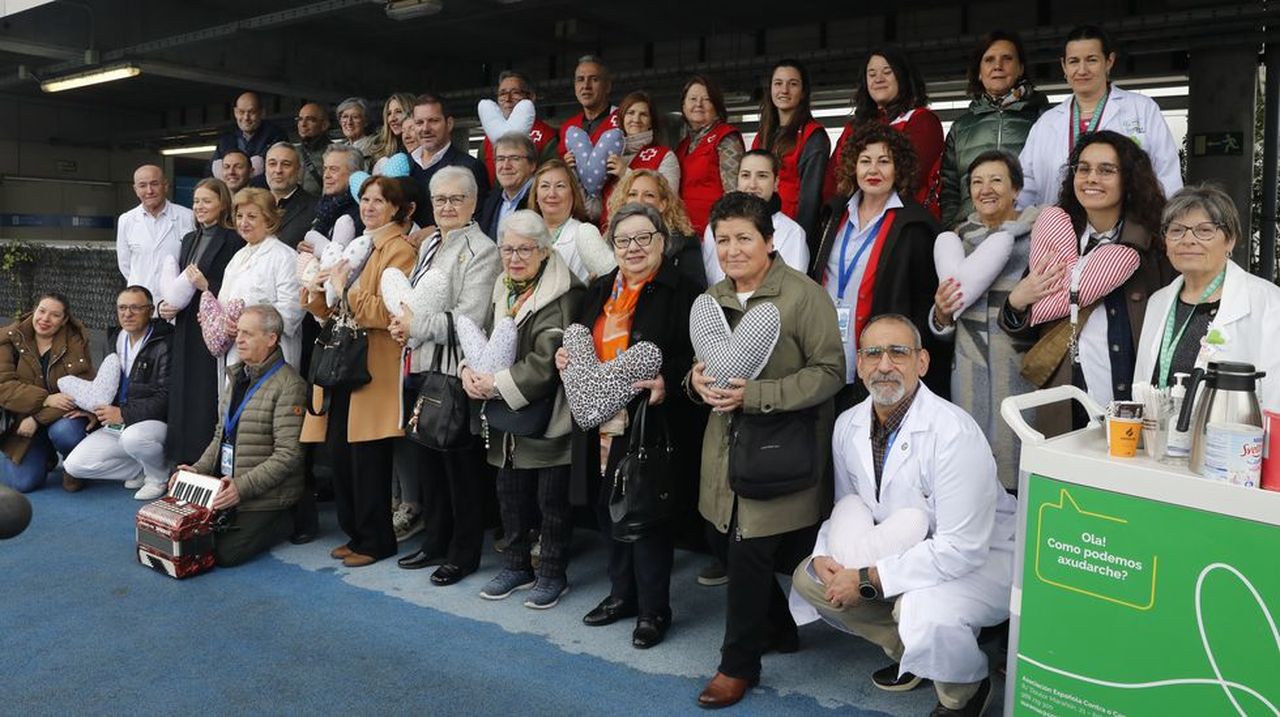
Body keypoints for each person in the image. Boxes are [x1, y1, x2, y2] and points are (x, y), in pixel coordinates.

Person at [791, 314, 1016, 717]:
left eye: (898, 352)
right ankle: (919, 656)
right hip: (902, 547)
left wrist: (868, 578)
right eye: (873, 353)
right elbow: (851, 507)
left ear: (922, 363)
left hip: (983, 559)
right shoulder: (848, 425)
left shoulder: (952, 433)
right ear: (858, 365)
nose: (884, 365)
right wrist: (830, 556)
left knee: (922, 612)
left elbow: (961, 549)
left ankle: (964, 691)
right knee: (809, 579)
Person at [688, 192, 845, 708]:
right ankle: (779, 628)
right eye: (723, 240)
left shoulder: (803, 297)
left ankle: (737, 666)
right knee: (720, 542)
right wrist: (696, 382)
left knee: (749, 553)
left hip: (779, 448)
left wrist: (756, 395)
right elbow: (704, 367)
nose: (732, 250)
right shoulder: (712, 299)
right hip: (723, 452)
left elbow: (830, 373)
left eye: (743, 239)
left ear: (770, 241)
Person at [562, 202, 702, 649]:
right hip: (598, 419)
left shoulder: (685, 291)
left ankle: (653, 610)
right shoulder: (600, 287)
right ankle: (621, 595)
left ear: (662, 242)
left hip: (649, 420)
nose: (633, 248)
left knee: (645, 517)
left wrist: (669, 381)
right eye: (623, 240)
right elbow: (581, 338)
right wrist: (565, 360)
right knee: (607, 511)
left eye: (644, 238)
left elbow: (698, 358)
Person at [1000, 130, 1174, 433]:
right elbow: (1028, 328)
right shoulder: (1056, 240)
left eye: (1106, 170)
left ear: (1129, 179)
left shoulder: (1153, 247)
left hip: (1130, 403)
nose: (1091, 178)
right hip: (1064, 399)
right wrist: (1016, 302)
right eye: (1083, 169)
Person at [391, 167, 502, 583]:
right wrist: (406, 322)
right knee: (429, 464)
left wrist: (414, 325)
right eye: (440, 200)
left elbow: (470, 319)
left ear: (474, 202)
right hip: (421, 365)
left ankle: (464, 552)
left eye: (457, 199)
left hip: (457, 372)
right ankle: (435, 540)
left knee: (461, 470)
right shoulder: (431, 243)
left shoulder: (483, 250)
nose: (448, 207)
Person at [470, 210, 584, 608]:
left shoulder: (564, 293)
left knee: (551, 504)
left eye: (524, 249)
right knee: (509, 496)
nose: (515, 258)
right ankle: (517, 564)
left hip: (550, 416)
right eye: (508, 249)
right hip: (507, 417)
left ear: (544, 251)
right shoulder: (504, 287)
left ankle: (553, 573)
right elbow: (484, 338)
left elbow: (546, 363)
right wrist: (471, 371)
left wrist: (494, 384)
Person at [301, 176, 417, 568]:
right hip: (344, 361)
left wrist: (343, 287)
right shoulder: (359, 246)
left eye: (379, 201)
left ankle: (376, 539)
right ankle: (356, 533)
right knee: (340, 452)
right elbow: (334, 310)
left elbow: (390, 313)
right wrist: (317, 291)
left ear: (397, 209)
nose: (368, 207)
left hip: (373, 364)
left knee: (368, 458)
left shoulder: (398, 250)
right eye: (364, 199)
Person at [810, 123, 949, 407]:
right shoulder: (832, 215)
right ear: (853, 167)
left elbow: (923, 303)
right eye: (865, 161)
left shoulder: (915, 225)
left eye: (884, 161)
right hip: (825, 355)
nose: (874, 170)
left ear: (899, 169)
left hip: (882, 361)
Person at [929, 151, 1039, 490]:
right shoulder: (959, 239)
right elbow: (945, 326)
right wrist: (941, 314)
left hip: (1021, 371)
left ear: (1016, 189)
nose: (985, 189)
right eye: (977, 182)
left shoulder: (1038, 235)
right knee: (972, 476)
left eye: (996, 180)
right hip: (969, 372)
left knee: (1021, 474)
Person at [182, 305, 308, 567]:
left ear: (271, 339)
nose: (238, 339)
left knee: (224, 553)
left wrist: (242, 487)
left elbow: (289, 454)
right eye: (238, 331)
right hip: (232, 484)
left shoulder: (290, 385)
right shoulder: (237, 375)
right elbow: (220, 434)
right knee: (187, 536)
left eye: (247, 334)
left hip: (267, 493)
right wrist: (197, 470)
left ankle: (293, 517)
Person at [1135, 184, 1280, 408]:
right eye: (1176, 230)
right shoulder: (1158, 302)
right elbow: (1143, 382)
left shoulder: (1268, 301)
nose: (1188, 240)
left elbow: (1275, 393)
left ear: (1230, 240)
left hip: (1233, 439)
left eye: (1204, 230)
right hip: (1159, 437)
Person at [1018, 25, 1182, 209]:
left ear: (1109, 61)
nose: (1082, 70)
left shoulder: (1142, 109)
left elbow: (1167, 176)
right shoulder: (1046, 123)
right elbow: (1025, 184)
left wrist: (1166, 225)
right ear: (1064, 66)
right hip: (1059, 230)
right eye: (1073, 61)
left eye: (1091, 60)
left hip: (1128, 229)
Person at [160, 178, 245, 467]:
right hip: (185, 324)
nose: (199, 207)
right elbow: (179, 284)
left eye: (206, 201)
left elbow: (235, 287)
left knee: (205, 394)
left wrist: (205, 284)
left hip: (212, 326)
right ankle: (179, 459)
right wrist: (166, 305)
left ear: (223, 204)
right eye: (196, 201)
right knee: (182, 390)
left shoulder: (233, 239)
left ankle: (204, 463)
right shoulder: (189, 239)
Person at [63, 286, 172, 500]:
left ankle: (158, 476)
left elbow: (167, 396)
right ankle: (140, 468)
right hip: (117, 423)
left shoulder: (166, 342)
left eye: (135, 308)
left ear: (150, 310)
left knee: (134, 438)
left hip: (154, 424)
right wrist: (94, 410)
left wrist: (124, 414)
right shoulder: (114, 338)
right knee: (75, 465)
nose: (127, 313)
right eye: (122, 308)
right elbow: (106, 385)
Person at [939, 30, 1048, 229]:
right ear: (979, 72)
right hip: (969, 232)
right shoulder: (960, 127)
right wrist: (951, 227)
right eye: (989, 60)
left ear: (1020, 68)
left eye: (1007, 59)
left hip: (1029, 229)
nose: (998, 66)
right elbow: (949, 189)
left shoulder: (1043, 118)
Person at [823, 46, 944, 220]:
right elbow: (831, 179)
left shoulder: (922, 120)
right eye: (871, 74)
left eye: (887, 72)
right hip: (850, 221)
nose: (878, 79)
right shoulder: (852, 127)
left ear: (902, 77)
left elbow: (911, 176)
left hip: (900, 222)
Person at [0, 293, 91, 493]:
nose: (45, 319)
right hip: (21, 421)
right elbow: (4, 387)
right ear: (34, 310)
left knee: (65, 433)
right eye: (41, 311)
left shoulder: (76, 342)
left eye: (54, 315)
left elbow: (81, 389)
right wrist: (46, 399)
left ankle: (73, 466)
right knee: (21, 484)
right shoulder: (8, 340)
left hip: (61, 417)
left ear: (64, 320)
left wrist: (37, 419)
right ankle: (46, 453)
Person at [208, 188, 304, 368]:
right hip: (236, 352)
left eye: (251, 216)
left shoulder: (285, 256)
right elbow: (224, 303)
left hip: (270, 355)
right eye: (239, 216)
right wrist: (219, 320)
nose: (243, 223)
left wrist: (247, 324)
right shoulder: (238, 257)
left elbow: (291, 312)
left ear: (268, 219)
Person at [701, 150, 809, 284]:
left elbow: (793, 288)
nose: (752, 185)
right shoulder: (714, 227)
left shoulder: (792, 232)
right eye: (745, 175)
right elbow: (710, 280)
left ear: (776, 183)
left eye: (762, 176)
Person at [753, 59, 830, 239]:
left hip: (792, 232)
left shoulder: (813, 136)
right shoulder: (762, 136)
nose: (784, 90)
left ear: (803, 92)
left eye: (793, 84)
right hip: (760, 230)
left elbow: (810, 201)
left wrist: (800, 241)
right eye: (778, 83)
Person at [605, 169, 705, 290]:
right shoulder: (611, 238)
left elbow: (695, 290)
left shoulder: (685, 241)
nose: (639, 200)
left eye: (649, 195)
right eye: (632, 194)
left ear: (662, 204)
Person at [408, 93, 491, 229]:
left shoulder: (470, 167)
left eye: (433, 121)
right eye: (419, 123)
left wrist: (436, 233)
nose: (425, 129)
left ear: (449, 123)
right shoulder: (405, 164)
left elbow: (477, 221)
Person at [676, 74, 744, 235]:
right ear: (683, 105)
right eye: (693, 99)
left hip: (716, 233)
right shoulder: (682, 146)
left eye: (706, 99)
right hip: (688, 235)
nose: (698, 104)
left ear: (716, 105)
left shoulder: (726, 137)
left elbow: (734, 194)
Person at [527, 158, 615, 283]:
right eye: (545, 186)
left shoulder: (585, 236)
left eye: (560, 186)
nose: (552, 193)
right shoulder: (524, 232)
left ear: (573, 194)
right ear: (536, 195)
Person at [116, 164, 196, 298]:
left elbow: (193, 261)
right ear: (135, 189)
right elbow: (125, 265)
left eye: (154, 184)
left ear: (165, 186)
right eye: (142, 185)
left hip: (176, 301)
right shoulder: (126, 220)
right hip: (140, 301)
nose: (149, 191)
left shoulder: (188, 217)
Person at [604, 90, 681, 210]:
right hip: (609, 227)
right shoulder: (608, 153)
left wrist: (626, 173)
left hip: (649, 227)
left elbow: (670, 200)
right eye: (631, 113)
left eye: (643, 114)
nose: (636, 119)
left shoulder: (665, 156)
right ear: (622, 118)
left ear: (651, 122)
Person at [481, 71, 559, 181]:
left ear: (531, 96)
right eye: (502, 93)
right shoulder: (487, 141)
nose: (508, 99)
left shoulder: (548, 136)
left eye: (515, 93)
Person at [300, 144, 365, 259]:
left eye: (333, 169)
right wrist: (304, 248)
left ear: (354, 174)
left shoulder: (363, 211)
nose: (326, 175)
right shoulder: (323, 207)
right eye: (325, 169)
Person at [212, 91, 286, 181]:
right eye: (241, 112)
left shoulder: (276, 136)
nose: (246, 117)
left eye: (251, 112)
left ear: (262, 113)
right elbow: (211, 171)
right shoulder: (226, 139)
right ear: (235, 112)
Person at [478, 132, 538, 241]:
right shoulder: (491, 200)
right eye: (500, 159)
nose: (506, 166)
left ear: (532, 165)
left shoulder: (542, 199)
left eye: (514, 158)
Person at [558, 56, 619, 157]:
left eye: (594, 79)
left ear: (607, 86)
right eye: (580, 79)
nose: (586, 86)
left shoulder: (624, 119)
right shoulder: (568, 126)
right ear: (575, 87)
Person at [264, 142, 318, 250]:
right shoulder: (254, 204)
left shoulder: (315, 208)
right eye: (272, 164)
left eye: (286, 164)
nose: (278, 170)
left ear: (299, 169)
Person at [370, 91, 417, 172]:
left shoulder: (423, 150)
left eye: (399, 112)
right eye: (389, 113)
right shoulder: (379, 150)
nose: (392, 119)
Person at [294, 102, 332, 197]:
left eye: (310, 120)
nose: (303, 124)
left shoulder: (334, 153)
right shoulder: (292, 152)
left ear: (324, 125)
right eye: (300, 119)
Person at [336, 97, 377, 165]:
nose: (349, 122)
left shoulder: (376, 148)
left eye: (355, 117)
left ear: (366, 122)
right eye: (345, 117)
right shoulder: (336, 149)